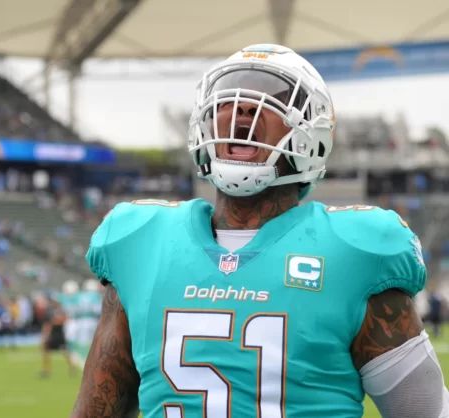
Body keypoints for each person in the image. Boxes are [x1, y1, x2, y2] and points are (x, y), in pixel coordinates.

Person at [71, 44, 449, 418]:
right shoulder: (141, 244)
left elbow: (427, 411)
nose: (244, 107)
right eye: (226, 99)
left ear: (311, 130)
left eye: (273, 98)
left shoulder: (352, 254)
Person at [40, 299, 75, 378]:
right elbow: (48, 324)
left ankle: (72, 367)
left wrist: (55, 321)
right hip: (53, 335)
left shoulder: (61, 312)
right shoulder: (51, 312)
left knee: (65, 352)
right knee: (46, 351)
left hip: (59, 335)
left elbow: (64, 320)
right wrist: (46, 334)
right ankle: (47, 370)